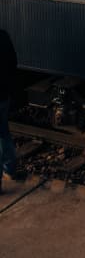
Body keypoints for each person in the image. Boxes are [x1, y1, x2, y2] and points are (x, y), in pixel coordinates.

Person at [0, 28, 18, 194]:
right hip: (4, 95)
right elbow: (13, 63)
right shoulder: (3, 35)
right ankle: (10, 169)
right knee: (4, 132)